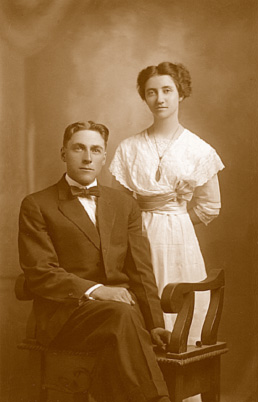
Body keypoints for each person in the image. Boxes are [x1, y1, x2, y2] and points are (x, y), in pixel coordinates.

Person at [17, 120, 172, 402]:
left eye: (95, 150)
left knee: (122, 319)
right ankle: (157, 399)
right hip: (66, 315)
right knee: (121, 314)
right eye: (79, 148)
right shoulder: (37, 204)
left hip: (123, 316)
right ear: (63, 153)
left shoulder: (124, 204)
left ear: (104, 156)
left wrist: (156, 324)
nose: (87, 157)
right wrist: (97, 291)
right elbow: (40, 272)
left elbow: (140, 270)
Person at [109, 62, 225, 344]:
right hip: (137, 239)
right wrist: (146, 221)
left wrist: (177, 218)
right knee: (142, 305)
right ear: (144, 96)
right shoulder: (129, 148)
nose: (159, 99)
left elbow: (210, 206)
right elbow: (118, 206)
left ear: (181, 93)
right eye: (151, 92)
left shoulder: (199, 149)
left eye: (167, 90)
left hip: (179, 242)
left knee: (179, 309)